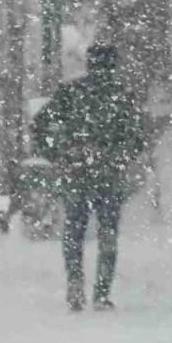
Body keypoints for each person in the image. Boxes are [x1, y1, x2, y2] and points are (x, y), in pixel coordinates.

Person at [33, 44, 146, 312]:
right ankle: (101, 292)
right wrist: (118, 155)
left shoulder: (71, 92)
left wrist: (57, 153)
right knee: (107, 236)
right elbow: (138, 138)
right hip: (108, 176)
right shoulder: (122, 96)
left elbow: (39, 125)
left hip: (77, 173)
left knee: (74, 230)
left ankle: (75, 282)